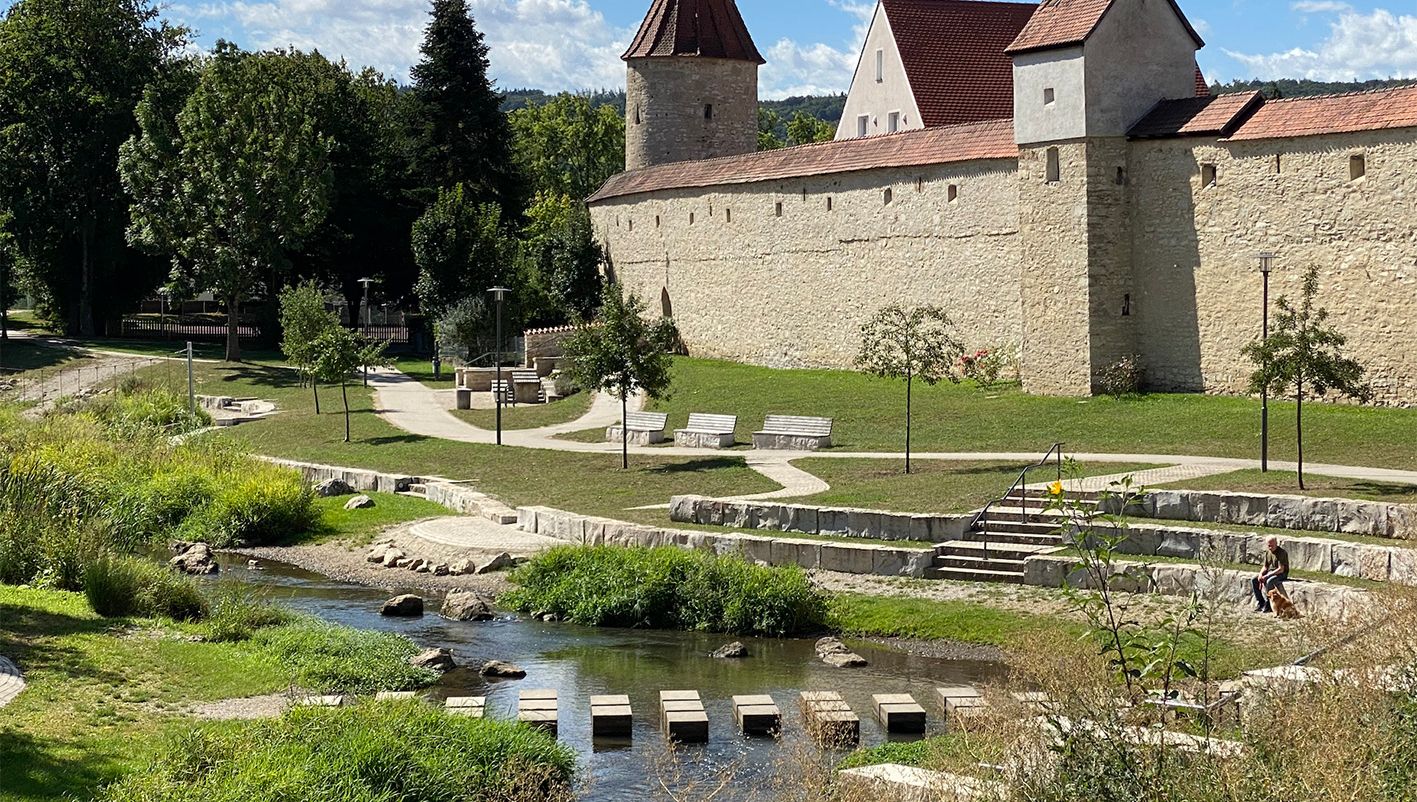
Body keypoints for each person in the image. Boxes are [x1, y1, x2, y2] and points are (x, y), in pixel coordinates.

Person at [1252, 537, 1290, 613]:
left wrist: (1267, 576)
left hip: (1281, 573)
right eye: (1269, 545)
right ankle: (1260, 602)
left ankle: (1268, 604)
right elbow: (1265, 566)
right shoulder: (1268, 552)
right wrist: (1260, 574)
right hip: (1271, 572)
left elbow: (1281, 569)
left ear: (1276, 544)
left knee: (1269, 581)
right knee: (1254, 580)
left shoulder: (1282, 553)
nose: (1270, 547)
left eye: (1272, 546)